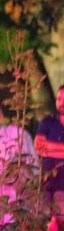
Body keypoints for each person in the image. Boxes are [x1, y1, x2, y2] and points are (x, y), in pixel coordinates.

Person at [34, 84, 64, 212]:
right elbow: (38, 146)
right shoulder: (48, 121)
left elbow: (44, 148)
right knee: (42, 219)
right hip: (45, 184)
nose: (61, 103)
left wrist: (49, 150)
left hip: (62, 187)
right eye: (59, 99)